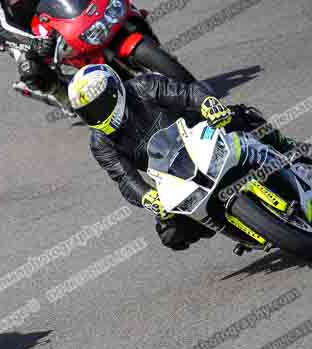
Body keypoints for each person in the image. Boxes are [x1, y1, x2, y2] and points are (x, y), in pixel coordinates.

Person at [67, 64, 310, 251]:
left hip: (204, 135)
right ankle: (240, 227)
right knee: (170, 233)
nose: (95, 116)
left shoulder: (143, 86)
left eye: (98, 107)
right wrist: (149, 198)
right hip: (174, 175)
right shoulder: (100, 141)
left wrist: (207, 104)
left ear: (113, 92)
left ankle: (289, 149)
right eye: (88, 113)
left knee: (242, 115)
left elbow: (185, 93)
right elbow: (124, 178)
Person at [0, 0, 74, 115]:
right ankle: (63, 95)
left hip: (48, 9)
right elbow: (2, 26)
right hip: (17, 34)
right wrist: (34, 42)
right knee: (30, 70)